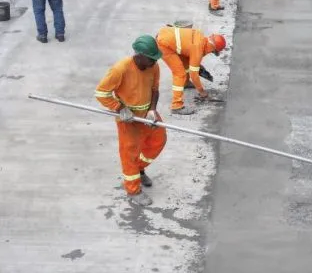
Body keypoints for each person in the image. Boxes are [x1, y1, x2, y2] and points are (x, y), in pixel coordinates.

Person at [94, 35, 167, 206]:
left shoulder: (153, 67)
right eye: (150, 59)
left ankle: (139, 168)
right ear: (139, 55)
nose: (154, 63)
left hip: (147, 114)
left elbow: (155, 89)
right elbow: (101, 93)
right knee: (129, 153)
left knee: (158, 140)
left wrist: (152, 110)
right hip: (129, 118)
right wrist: (120, 108)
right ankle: (133, 190)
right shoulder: (121, 69)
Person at [156, 25, 227, 115]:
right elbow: (194, 75)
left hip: (166, 36)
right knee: (179, 73)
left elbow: (190, 54)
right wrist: (202, 91)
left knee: (186, 64)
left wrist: (198, 66)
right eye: (213, 51)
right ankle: (176, 106)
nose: (211, 53)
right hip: (164, 45)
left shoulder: (200, 38)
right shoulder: (198, 49)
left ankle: (185, 83)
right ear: (212, 47)